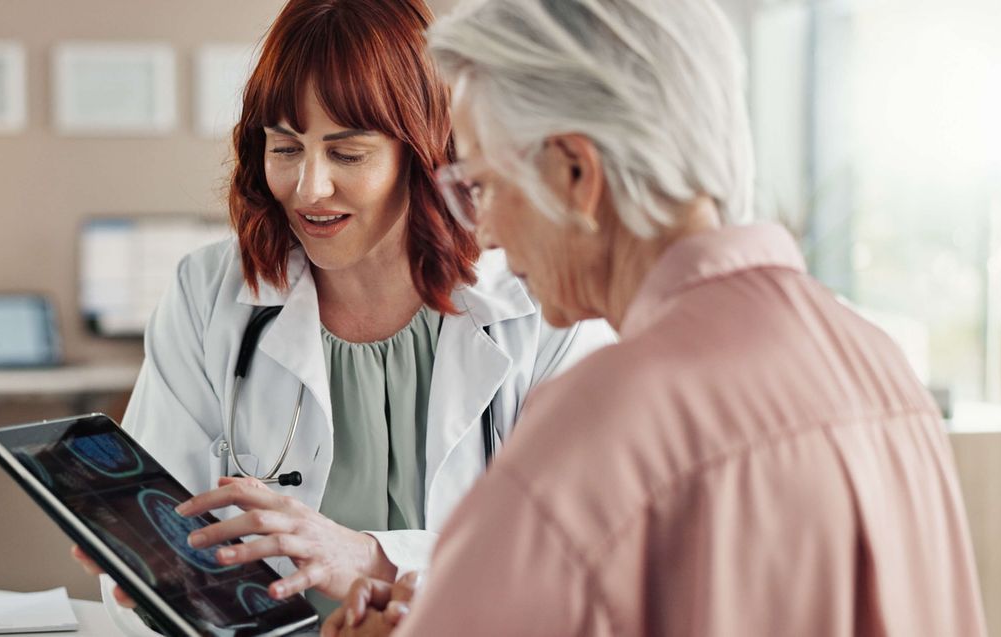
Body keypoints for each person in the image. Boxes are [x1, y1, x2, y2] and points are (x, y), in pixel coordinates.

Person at [324, 0, 988, 635]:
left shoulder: (602, 421)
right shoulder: (878, 366)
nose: (486, 231)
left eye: (483, 186)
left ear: (575, 174)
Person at [72, 0, 613, 631]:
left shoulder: (543, 304)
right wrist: (154, 579)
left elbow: (586, 558)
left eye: (347, 154)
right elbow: (157, 547)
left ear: (425, 152)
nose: (308, 188)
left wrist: (373, 559)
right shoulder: (208, 293)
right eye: (285, 146)